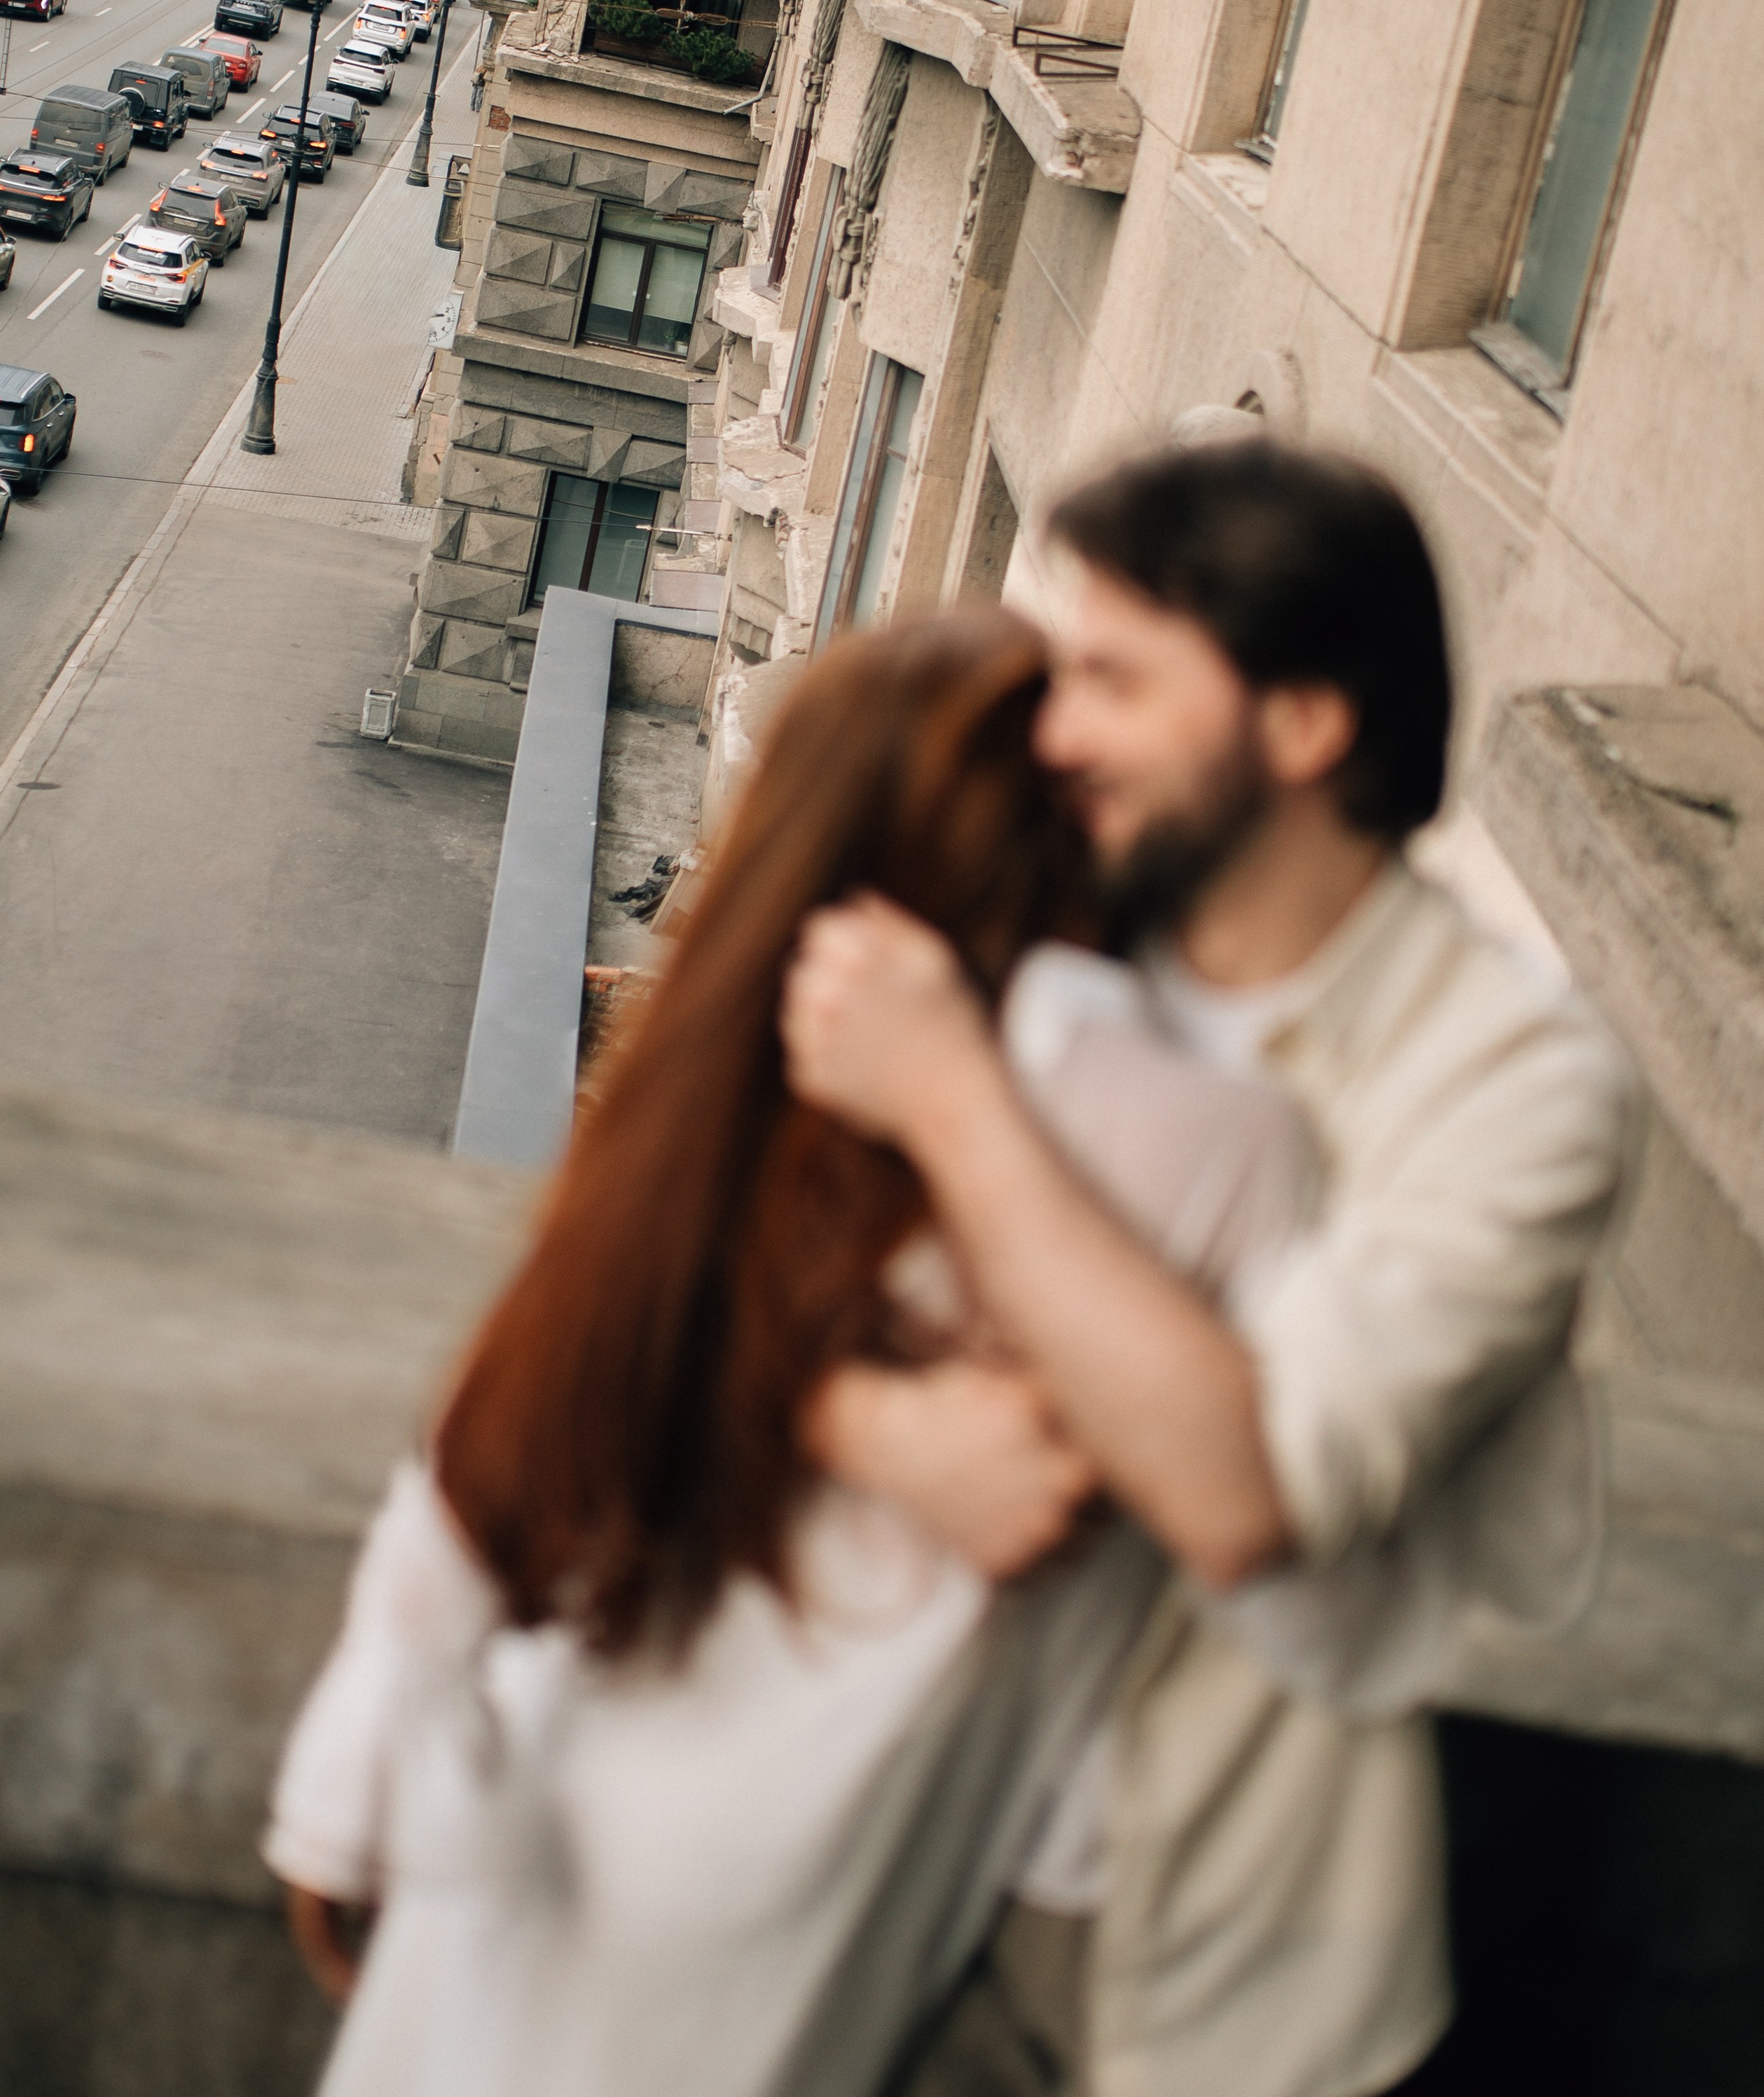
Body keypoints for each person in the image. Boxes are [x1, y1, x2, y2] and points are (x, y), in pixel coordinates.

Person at [263, 608, 1319, 2097]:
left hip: (547, 1819)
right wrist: (851, 1420)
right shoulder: (1181, 1140)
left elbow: (539, 1390)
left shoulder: (760, 1096)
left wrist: (350, 1790)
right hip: (769, 1908)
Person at [783, 439, 1636, 2097]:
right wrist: (858, 1424)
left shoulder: (1515, 1083)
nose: (1053, 732)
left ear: (1303, 724)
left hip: (1189, 1974)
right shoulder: (1030, 913)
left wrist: (953, 1099)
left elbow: (1247, 1496)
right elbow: (719, 1284)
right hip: (855, 1830)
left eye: (1109, 679)